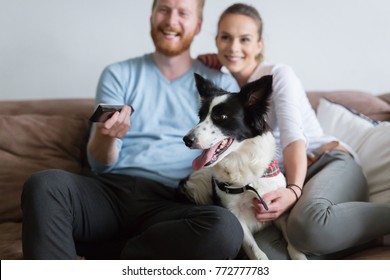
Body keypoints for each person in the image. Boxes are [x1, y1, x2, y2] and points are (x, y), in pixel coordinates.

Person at [20, 0, 244, 260]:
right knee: (44, 184)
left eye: (183, 13)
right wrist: (107, 136)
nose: (171, 20)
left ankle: (111, 254)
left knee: (225, 228)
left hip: (177, 202)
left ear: (198, 26)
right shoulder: (118, 74)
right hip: (111, 193)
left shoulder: (219, 83)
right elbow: (100, 164)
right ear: (151, 17)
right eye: (163, 10)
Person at [198, 3, 390, 259]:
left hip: (326, 161)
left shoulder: (278, 74)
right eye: (226, 37)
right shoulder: (225, 89)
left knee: (308, 227)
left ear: (259, 44)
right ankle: (357, 236)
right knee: (268, 256)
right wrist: (205, 63)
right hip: (274, 182)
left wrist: (293, 191)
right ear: (216, 42)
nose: (233, 47)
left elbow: (293, 139)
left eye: (245, 39)